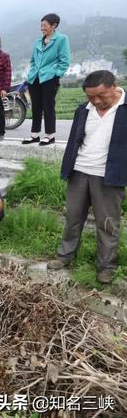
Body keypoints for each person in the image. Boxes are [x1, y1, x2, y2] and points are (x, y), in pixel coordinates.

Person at [47, 70, 126, 285]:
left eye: (101, 96)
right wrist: (67, 169)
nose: (96, 101)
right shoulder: (84, 110)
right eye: (90, 97)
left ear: (114, 86)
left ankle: (106, 267)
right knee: (73, 218)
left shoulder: (124, 109)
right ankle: (65, 256)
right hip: (80, 172)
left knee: (107, 223)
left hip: (109, 177)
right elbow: (74, 141)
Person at [23, 13, 71, 146]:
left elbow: (65, 61)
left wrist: (56, 74)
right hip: (34, 78)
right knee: (36, 106)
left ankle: (50, 136)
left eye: (44, 25)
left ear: (54, 25)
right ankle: (35, 135)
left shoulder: (61, 39)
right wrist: (31, 72)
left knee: (48, 106)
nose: (41, 28)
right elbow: (33, 60)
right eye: (41, 25)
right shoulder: (39, 40)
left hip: (49, 78)